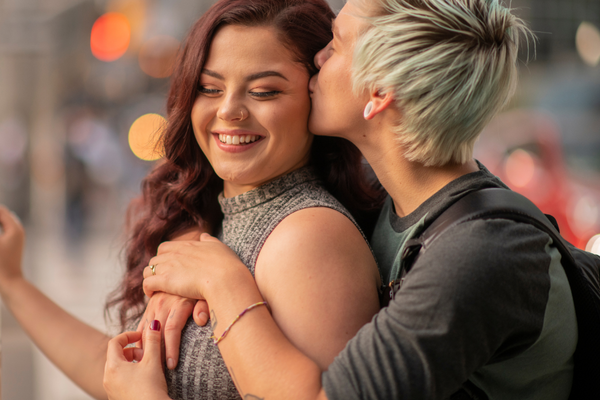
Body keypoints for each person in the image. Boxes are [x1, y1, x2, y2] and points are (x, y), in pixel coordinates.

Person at [104, 0, 578, 399]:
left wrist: (221, 281)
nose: (318, 59)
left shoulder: (477, 254)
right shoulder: (406, 203)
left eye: (336, 43)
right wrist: (190, 248)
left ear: (379, 92)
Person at [0, 0, 384, 399]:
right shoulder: (217, 219)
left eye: (264, 91)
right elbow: (118, 369)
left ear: (315, 91)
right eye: (209, 88)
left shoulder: (307, 236)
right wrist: (12, 282)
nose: (229, 109)